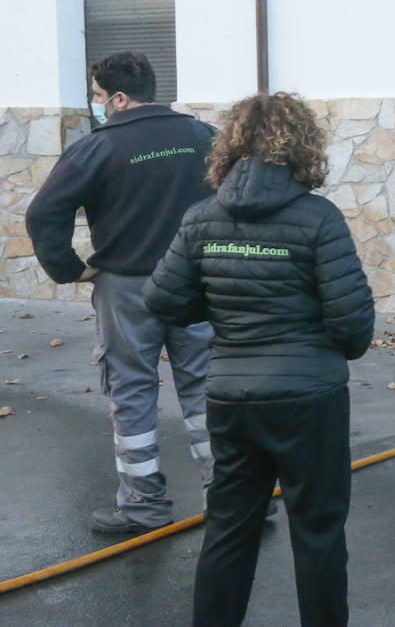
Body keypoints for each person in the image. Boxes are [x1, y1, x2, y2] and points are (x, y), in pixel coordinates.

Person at [143, 91, 374, 627]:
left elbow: (162, 299)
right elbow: (352, 324)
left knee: (229, 528)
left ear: (229, 146)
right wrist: (326, 349)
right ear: (302, 146)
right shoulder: (319, 218)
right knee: (318, 532)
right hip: (309, 400)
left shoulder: (201, 218)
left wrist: (220, 309)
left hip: (232, 397)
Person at [25, 51, 217, 533]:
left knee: (131, 391)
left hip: (128, 290)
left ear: (119, 98)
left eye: (97, 95)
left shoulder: (98, 147)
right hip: (196, 284)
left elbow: (43, 213)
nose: (95, 104)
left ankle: (143, 506)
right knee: (209, 390)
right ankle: (232, 500)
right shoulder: (203, 137)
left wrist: (71, 270)